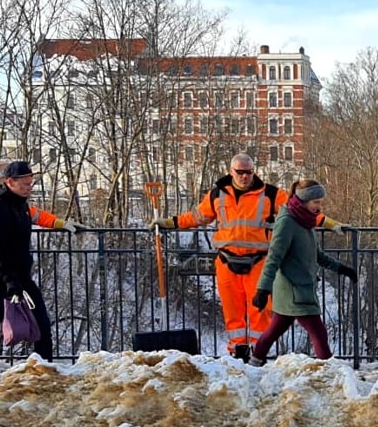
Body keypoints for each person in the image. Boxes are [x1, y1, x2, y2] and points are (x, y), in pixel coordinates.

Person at [150, 154, 349, 361]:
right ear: (231, 171)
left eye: (249, 172)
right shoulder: (217, 194)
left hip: (257, 262)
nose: (245, 176)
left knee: (259, 312)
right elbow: (197, 217)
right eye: (240, 172)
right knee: (232, 314)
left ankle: (257, 357)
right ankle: (238, 355)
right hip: (227, 262)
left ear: (254, 171)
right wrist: (167, 223)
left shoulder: (270, 194)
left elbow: (302, 209)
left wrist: (331, 224)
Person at [248, 179, 357, 366]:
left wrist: (342, 269)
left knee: (274, 330)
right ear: (304, 201)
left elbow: (316, 254)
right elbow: (274, 258)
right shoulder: (287, 223)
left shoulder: (304, 221)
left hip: (300, 288)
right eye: (316, 202)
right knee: (319, 333)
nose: (319, 206)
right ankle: (329, 373)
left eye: (320, 202)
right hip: (294, 290)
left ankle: (254, 361)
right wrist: (263, 289)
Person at [0, 175, 83, 345]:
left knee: (41, 324)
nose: (29, 188)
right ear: (11, 183)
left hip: (16, 272)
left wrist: (60, 223)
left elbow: (34, 215)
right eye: (26, 184)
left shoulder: (14, 203)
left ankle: (45, 365)